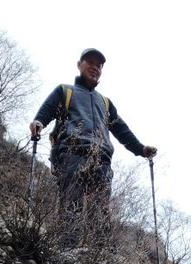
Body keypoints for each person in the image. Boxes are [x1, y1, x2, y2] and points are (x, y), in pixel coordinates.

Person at [29, 48, 157, 219]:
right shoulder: (65, 91)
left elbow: (121, 130)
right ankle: (68, 246)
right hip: (72, 154)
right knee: (71, 208)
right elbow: (47, 110)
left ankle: (98, 247)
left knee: (100, 214)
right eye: (90, 62)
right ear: (79, 65)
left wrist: (141, 149)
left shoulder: (105, 102)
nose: (95, 67)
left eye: (99, 65)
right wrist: (39, 122)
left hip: (102, 160)